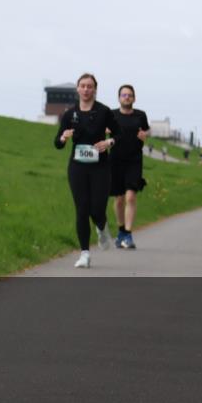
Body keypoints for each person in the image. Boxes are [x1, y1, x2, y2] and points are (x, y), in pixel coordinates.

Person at [54, 73, 120, 268]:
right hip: (77, 167)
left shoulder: (104, 112)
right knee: (82, 209)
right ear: (77, 89)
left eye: (89, 86)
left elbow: (119, 133)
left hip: (100, 167)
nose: (86, 89)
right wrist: (63, 138)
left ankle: (102, 227)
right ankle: (84, 254)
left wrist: (109, 141)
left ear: (95, 89)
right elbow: (57, 143)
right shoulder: (69, 114)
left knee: (97, 208)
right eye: (82, 86)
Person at [110, 84, 150, 249]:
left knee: (131, 197)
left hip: (134, 160)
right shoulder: (111, 115)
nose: (127, 97)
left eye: (129, 95)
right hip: (116, 160)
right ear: (119, 98)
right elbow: (103, 130)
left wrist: (144, 136)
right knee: (119, 200)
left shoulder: (140, 115)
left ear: (134, 98)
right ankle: (120, 231)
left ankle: (128, 234)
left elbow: (146, 131)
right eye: (124, 95)